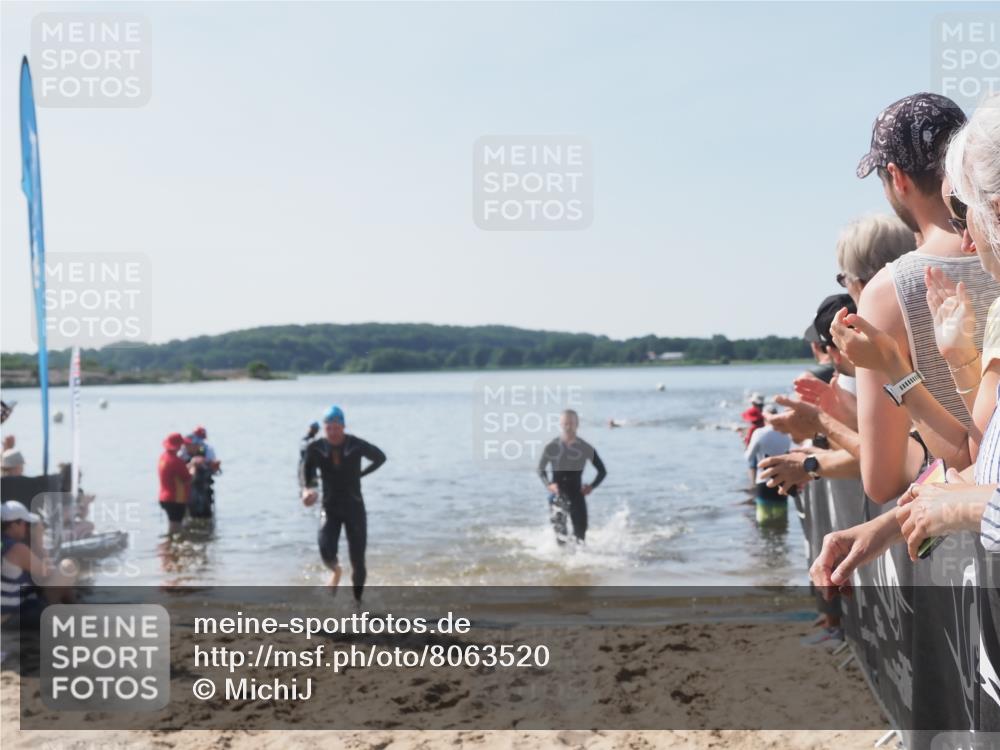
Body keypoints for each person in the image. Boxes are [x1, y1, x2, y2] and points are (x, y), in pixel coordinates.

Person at [851, 92, 999, 504]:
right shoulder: (992, 253)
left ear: (896, 178)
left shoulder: (886, 292)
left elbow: (883, 482)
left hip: (961, 544)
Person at [300, 406, 386, 601]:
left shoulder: (355, 444)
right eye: (329, 428)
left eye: (336, 427)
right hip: (330, 507)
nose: (333, 432)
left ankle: (357, 602)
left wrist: (361, 474)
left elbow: (380, 458)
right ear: (324, 428)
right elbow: (306, 472)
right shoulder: (316, 448)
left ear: (343, 426)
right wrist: (308, 490)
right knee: (325, 548)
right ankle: (336, 572)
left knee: (358, 560)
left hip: (354, 507)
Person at [537, 409, 607, 543]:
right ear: (561, 424)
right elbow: (540, 469)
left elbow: (602, 471)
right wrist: (549, 485)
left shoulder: (585, 447)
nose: (568, 427)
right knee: (560, 538)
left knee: (580, 537)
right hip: (557, 496)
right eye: (565, 424)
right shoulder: (552, 446)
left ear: (577, 424)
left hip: (577, 495)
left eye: (571, 423)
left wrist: (591, 486)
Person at [1, 500, 50, 629]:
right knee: (66, 569)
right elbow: (47, 573)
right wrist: (38, 540)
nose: (26, 527)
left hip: (8, 613)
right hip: (8, 620)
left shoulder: (4, 544)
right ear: (13, 525)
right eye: (25, 523)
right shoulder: (16, 549)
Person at [744, 405, 792, 526]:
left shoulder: (759, 433)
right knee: (781, 521)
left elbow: (748, 457)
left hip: (764, 480)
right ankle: (780, 544)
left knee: (764, 521)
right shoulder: (786, 433)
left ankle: (767, 545)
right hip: (783, 481)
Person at [158, 432, 192, 535]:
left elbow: (174, 473)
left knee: (172, 524)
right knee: (176, 526)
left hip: (164, 497)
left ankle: (170, 547)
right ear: (177, 446)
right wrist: (194, 467)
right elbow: (188, 479)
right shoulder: (176, 461)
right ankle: (172, 547)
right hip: (176, 498)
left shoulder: (163, 457)